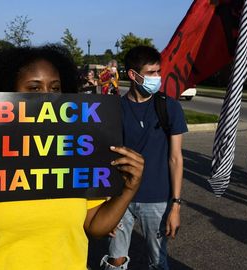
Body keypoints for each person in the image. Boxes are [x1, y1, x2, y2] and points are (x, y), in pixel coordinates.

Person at [0, 45, 145, 270]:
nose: (47, 96)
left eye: (55, 87)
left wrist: (128, 189)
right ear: (7, 92)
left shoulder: (81, 152)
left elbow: (95, 227)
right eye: (34, 87)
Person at [100, 46, 187, 270]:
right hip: (120, 197)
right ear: (133, 75)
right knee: (115, 260)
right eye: (151, 73)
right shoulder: (115, 109)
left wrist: (176, 206)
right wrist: (105, 203)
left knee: (158, 261)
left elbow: (176, 158)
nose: (157, 78)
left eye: (158, 72)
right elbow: (105, 157)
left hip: (157, 199)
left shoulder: (170, 107)